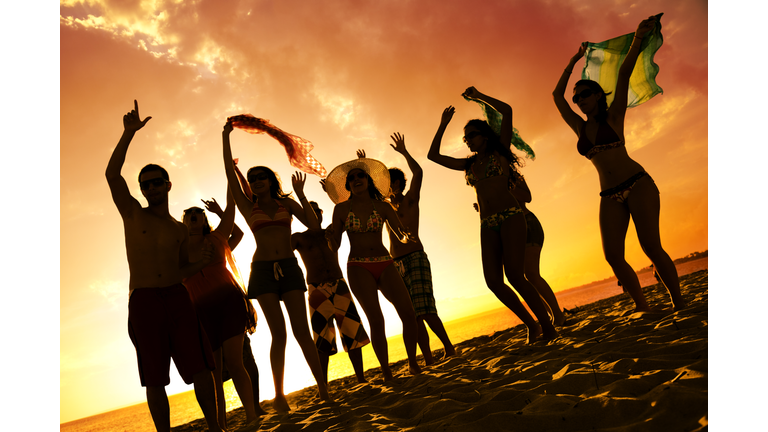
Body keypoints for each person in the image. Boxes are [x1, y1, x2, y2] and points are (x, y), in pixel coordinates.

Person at [552, 16, 686, 312]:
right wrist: (573, 60)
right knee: (613, 255)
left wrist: (638, 38)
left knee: (651, 246)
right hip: (608, 194)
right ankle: (643, 306)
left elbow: (624, 74)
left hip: (638, 183)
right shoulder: (579, 127)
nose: (579, 100)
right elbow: (555, 97)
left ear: (598, 95)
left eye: (585, 94)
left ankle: (678, 302)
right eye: (577, 98)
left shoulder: (614, 116)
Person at [105, 100, 223, 432]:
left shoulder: (179, 229)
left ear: (168, 185)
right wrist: (128, 134)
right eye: (146, 184)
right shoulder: (133, 213)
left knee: (201, 368)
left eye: (157, 182)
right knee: (154, 378)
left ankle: (216, 428)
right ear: (141, 190)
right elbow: (112, 175)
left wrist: (197, 264)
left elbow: (180, 270)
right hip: (143, 300)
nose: (152, 187)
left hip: (177, 297)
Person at [427, 87, 558, 344]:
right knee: (493, 282)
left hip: (511, 216)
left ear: (485, 136)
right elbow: (433, 156)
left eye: (472, 136)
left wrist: (478, 97)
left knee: (515, 276)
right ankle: (531, 324)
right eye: (465, 139)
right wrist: (442, 125)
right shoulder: (469, 164)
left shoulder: (499, 152)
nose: (468, 141)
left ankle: (547, 325)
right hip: (487, 223)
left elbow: (507, 110)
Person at [222, 120, 330, 412]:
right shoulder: (249, 206)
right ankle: (280, 395)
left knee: (302, 332)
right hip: (263, 273)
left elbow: (314, 224)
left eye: (261, 177)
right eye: (252, 178)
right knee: (279, 334)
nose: (256, 181)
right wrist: (225, 137)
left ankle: (323, 389)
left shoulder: (286, 204)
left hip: (289, 267)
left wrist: (303, 195)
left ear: (271, 181)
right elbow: (230, 178)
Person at [323, 158, 422, 379]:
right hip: (358, 266)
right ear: (347, 186)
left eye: (360, 176)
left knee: (408, 313)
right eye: (352, 178)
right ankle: (386, 371)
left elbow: (400, 235)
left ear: (368, 180)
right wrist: (330, 238)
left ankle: (413, 362)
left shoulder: (383, 207)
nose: (356, 179)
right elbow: (336, 245)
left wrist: (408, 237)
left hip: (385, 262)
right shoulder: (340, 209)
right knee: (376, 319)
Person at [374, 133, 457, 365]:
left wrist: (403, 151)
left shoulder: (410, 200)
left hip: (415, 257)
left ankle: (449, 348)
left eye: (394, 182)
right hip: (395, 263)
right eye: (386, 184)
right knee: (411, 314)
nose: (391, 186)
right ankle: (428, 357)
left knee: (426, 309)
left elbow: (419, 173)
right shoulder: (382, 208)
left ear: (400, 184)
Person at [181, 192, 262, 430]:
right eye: (190, 215)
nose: (194, 216)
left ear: (205, 221)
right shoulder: (178, 249)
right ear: (183, 222)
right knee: (213, 373)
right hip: (201, 310)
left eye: (198, 214)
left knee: (236, 362)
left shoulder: (216, 239)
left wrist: (219, 211)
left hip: (228, 301)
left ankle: (251, 416)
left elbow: (235, 224)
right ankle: (221, 425)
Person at [291, 200, 370, 384]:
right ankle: (323, 385)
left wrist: (332, 192)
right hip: (316, 289)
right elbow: (278, 244)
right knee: (321, 341)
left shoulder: (331, 231)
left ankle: (361, 378)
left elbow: (347, 213)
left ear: (321, 212)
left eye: (316, 211)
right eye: (308, 212)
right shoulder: (299, 238)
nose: (313, 215)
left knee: (352, 335)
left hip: (339, 285)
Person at [506, 173, 567, 326]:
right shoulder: (488, 177)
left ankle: (557, 314)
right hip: (511, 228)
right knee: (523, 278)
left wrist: (504, 189)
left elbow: (527, 197)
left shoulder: (512, 175)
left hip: (528, 223)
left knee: (532, 274)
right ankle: (549, 315)